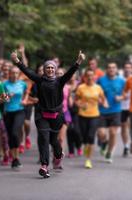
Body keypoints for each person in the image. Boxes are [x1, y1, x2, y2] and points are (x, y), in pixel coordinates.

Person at [11, 50, 85, 178]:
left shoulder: (60, 81)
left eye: (52, 67)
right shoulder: (39, 80)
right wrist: (17, 61)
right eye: (48, 68)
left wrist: (78, 61)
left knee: (53, 140)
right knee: (44, 138)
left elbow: (70, 72)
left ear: (55, 70)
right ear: (44, 70)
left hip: (57, 115)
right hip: (42, 114)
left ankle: (58, 154)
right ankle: (44, 166)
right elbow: (27, 72)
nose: (50, 69)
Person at [75, 68, 108, 169]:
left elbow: (103, 98)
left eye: (91, 75)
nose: (89, 77)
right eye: (87, 75)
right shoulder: (81, 87)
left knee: (91, 137)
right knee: (84, 138)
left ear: (94, 77)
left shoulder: (98, 88)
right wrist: (80, 105)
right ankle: (86, 147)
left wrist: (105, 103)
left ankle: (88, 160)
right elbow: (76, 100)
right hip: (82, 115)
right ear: (84, 77)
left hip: (94, 115)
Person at [97, 63, 126, 163]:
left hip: (115, 110)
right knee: (101, 133)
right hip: (102, 111)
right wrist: (100, 100)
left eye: (113, 68)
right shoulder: (101, 80)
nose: (111, 69)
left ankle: (109, 153)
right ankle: (104, 142)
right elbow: (95, 91)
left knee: (113, 133)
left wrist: (121, 97)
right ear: (106, 69)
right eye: (109, 68)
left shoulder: (122, 81)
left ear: (116, 69)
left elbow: (125, 95)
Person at [3, 67, 27, 169]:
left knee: (14, 132)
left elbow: (26, 93)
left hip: (19, 111)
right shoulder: (4, 84)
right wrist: (8, 96)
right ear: (9, 73)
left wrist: (24, 100)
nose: (15, 75)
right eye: (13, 73)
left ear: (19, 74)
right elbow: (1, 99)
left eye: (16, 73)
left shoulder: (22, 84)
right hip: (8, 112)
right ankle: (14, 158)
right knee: (10, 135)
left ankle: (16, 157)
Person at [120, 62, 132, 157]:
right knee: (124, 127)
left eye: (129, 67)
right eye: (126, 67)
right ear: (124, 69)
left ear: (131, 69)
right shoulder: (120, 79)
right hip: (122, 107)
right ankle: (126, 146)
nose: (127, 69)